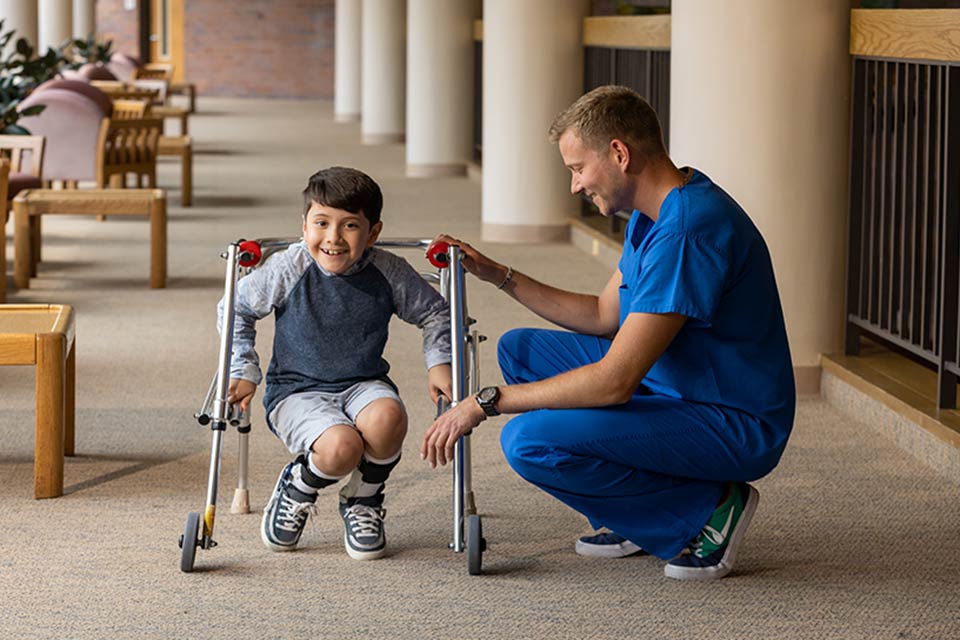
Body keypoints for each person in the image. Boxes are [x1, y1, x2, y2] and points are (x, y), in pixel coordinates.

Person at [420, 85, 795, 580]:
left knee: (529, 442)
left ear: (619, 153)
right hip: (679, 383)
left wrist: (484, 401)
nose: (575, 186)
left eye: (578, 168)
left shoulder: (687, 231)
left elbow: (615, 380)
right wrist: (499, 274)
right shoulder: (654, 212)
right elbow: (603, 314)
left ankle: (705, 511)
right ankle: (630, 507)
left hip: (732, 420)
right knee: (521, 350)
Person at [222, 166, 452, 560]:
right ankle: (298, 486)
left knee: (388, 420)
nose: (332, 238)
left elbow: (436, 313)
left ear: (373, 233)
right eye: (321, 223)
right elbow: (235, 308)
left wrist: (438, 361)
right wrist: (243, 368)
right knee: (342, 447)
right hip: (296, 389)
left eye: (349, 226)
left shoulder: (387, 270)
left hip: (363, 383)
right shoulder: (289, 266)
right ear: (304, 225)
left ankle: (362, 500)